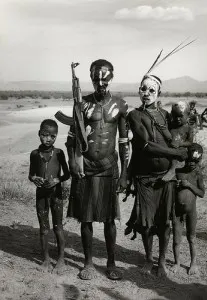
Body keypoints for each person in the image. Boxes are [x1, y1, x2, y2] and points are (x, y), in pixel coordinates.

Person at [66, 59, 129, 280]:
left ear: (111, 79)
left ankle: (111, 263)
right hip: (86, 169)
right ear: (91, 80)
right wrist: (74, 163)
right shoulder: (81, 104)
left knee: (110, 219)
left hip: (109, 167)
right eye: (96, 79)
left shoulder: (120, 105)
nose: (100, 84)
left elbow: (123, 142)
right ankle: (88, 263)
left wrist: (124, 174)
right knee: (86, 218)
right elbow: (72, 139)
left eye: (104, 79)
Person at [126, 73, 188, 277]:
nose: (146, 93)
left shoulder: (166, 116)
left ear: (159, 92)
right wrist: (175, 153)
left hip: (166, 178)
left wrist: (174, 166)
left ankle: (161, 261)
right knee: (145, 223)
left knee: (164, 222)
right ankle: (148, 259)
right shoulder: (134, 115)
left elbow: (177, 140)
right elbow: (145, 145)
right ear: (138, 91)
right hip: (144, 177)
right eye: (143, 89)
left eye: (151, 90)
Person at [29, 119, 70, 273]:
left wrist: (57, 181)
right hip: (41, 195)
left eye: (52, 136)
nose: (48, 139)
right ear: (39, 134)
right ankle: (45, 259)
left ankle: (61, 259)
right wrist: (34, 179)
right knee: (43, 229)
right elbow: (30, 174)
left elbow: (66, 174)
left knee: (58, 227)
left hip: (56, 195)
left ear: (56, 136)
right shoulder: (34, 154)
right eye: (45, 135)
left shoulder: (59, 153)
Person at [171, 143, 205, 275]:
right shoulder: (178, 172)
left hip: (191, 211)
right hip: (177, 212)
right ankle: (177, 263)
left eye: (195, 162)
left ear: (199, 161)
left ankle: (193, 264)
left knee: (192, 238)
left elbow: (202, 193)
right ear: (185, 159)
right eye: (190, 161)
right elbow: (171, 189)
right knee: (176, 238)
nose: (192, 164)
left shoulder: (197, 175)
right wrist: (176, 185)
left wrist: (189, 185)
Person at [162, 101, 194, 182]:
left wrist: (180, 143)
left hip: (181, 150)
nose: (178, 119)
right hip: (170, 148)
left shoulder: (188, 128)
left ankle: (172, 170)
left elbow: (190, 142)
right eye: (175, 116)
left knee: (177, 155)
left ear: (188, 115)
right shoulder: (171, 126)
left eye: (180, 116)